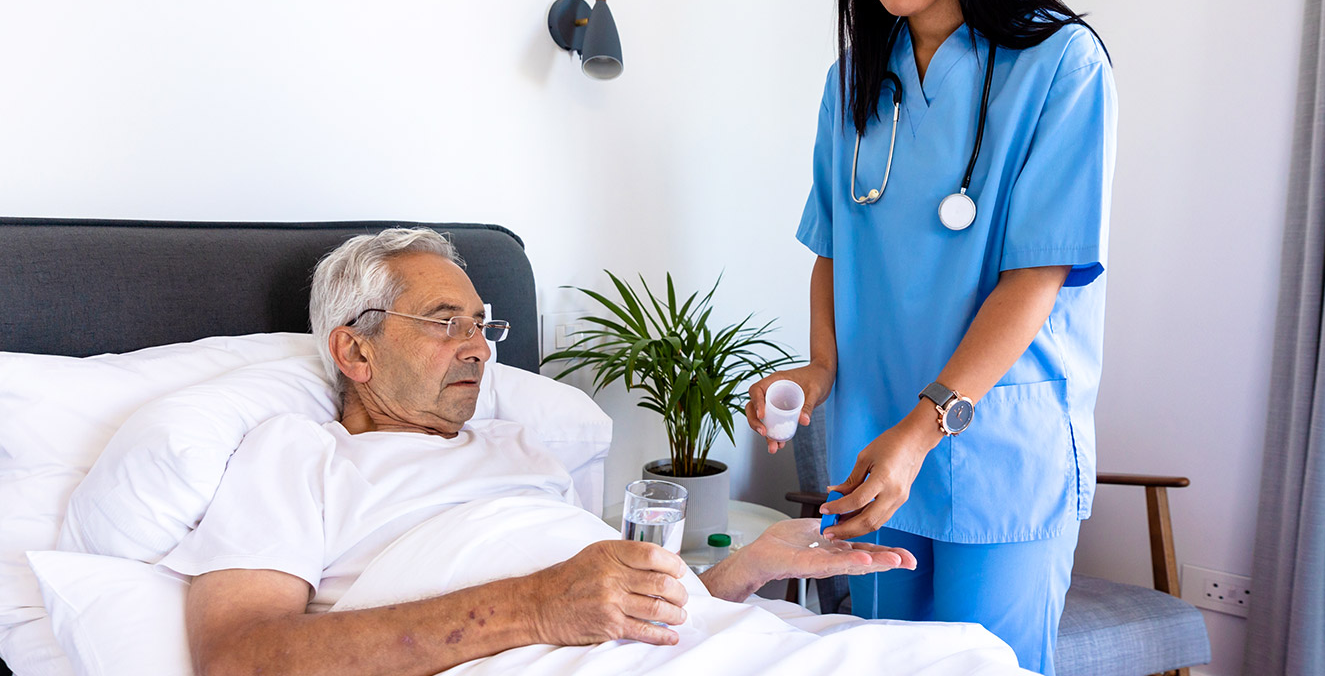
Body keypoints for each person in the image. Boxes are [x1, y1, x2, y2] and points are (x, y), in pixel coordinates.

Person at [163, 229, 917, 676]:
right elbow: (238, 657)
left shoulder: (519, 449)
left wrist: (746, 570)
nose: (478, 349)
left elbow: (621, 621)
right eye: (444, 322)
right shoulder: (296, 454)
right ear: (354, 350)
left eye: (483, 327)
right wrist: (533, 607)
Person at [746, 0, 1117, 673]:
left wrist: (924, 426)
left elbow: (1038, 275)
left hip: (995, 452)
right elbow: (834, 248)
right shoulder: (853, 84)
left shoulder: (1061, 66)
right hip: (877, 454)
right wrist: (818, 368)